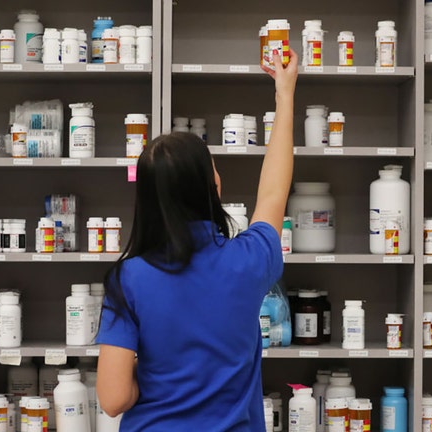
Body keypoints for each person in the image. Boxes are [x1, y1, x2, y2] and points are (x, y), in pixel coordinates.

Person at [95, 47, 298, 431]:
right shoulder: (250, 259)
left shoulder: (128, 279)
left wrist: (155, 378)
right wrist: (284, 95)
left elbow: (113, 398)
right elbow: (274, 192)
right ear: (212, 187)